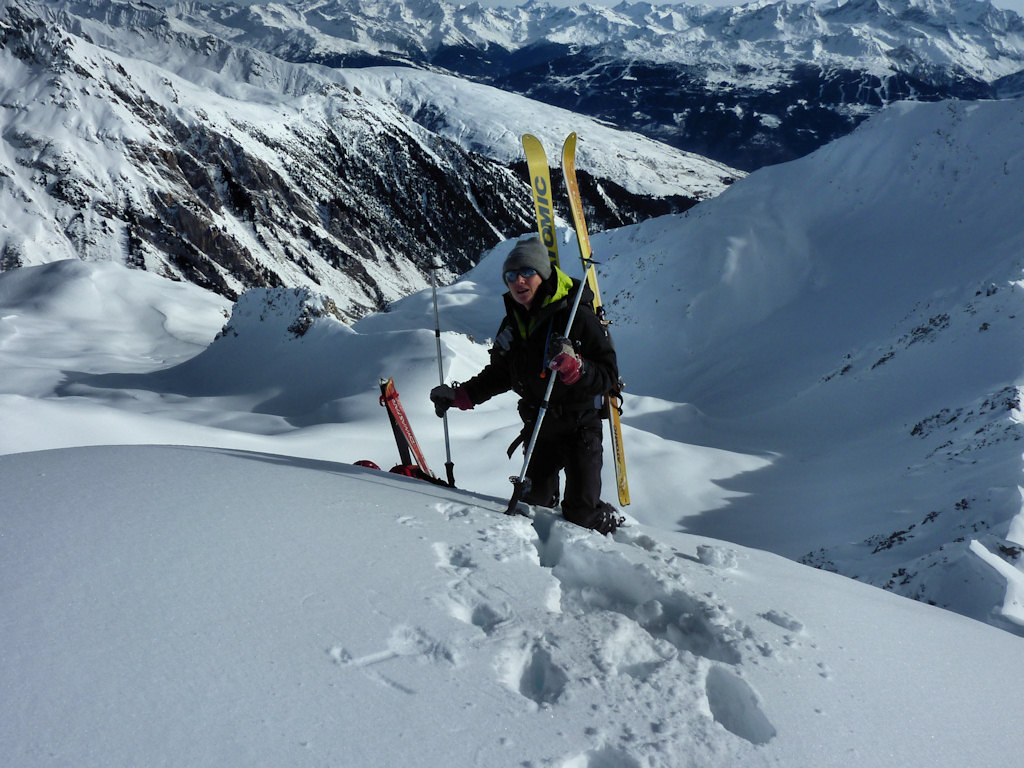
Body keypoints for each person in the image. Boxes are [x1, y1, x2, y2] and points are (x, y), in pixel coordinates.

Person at [430, 236, 624, 534]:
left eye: (526, 272)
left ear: (543, 274)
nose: (518, 281)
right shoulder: (514, 323)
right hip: (541, 426)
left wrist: (578, 369)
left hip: (580, 425)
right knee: (535, 502)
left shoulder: (576, 316)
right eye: (510, 275)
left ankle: (607, 519)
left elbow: (609, 374)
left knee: (582, 516)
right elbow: (500, 374)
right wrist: (460, 396)